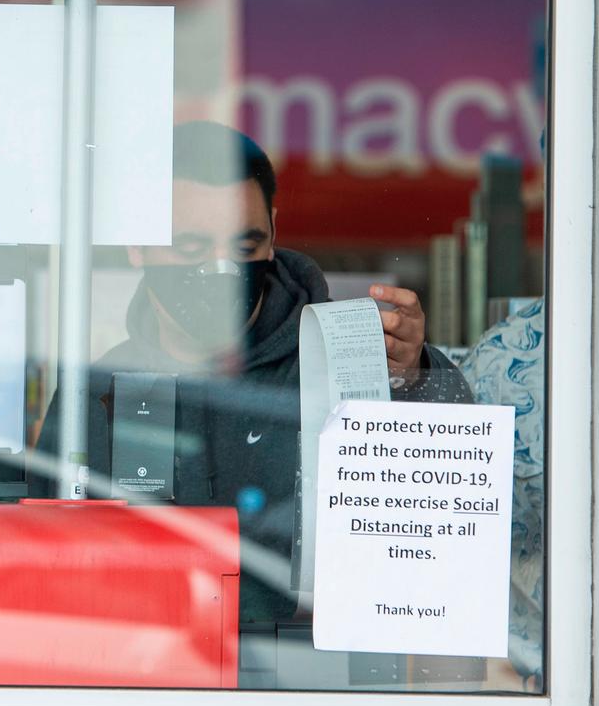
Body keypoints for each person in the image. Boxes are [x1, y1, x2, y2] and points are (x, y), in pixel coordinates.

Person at [37, 121, 471, 627]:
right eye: (192, 248)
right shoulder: (98, 392)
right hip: (150, 683)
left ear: (273, 234)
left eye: (244, 248)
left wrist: (416, 377)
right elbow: (48, 567)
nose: (221, 270)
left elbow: (449, 511)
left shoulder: (348, 363)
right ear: (138, 245)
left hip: (310, 688)